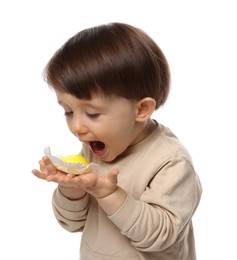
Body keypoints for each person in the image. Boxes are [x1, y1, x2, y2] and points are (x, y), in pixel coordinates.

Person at [32, 22, 202, 260]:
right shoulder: (94, 147)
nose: (78, 127)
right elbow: (72, 224)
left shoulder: (171, 162)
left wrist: (108, 195)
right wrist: (71, 189)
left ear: (141, 109)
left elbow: (162, 235)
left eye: (92, 114)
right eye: (68, 112)